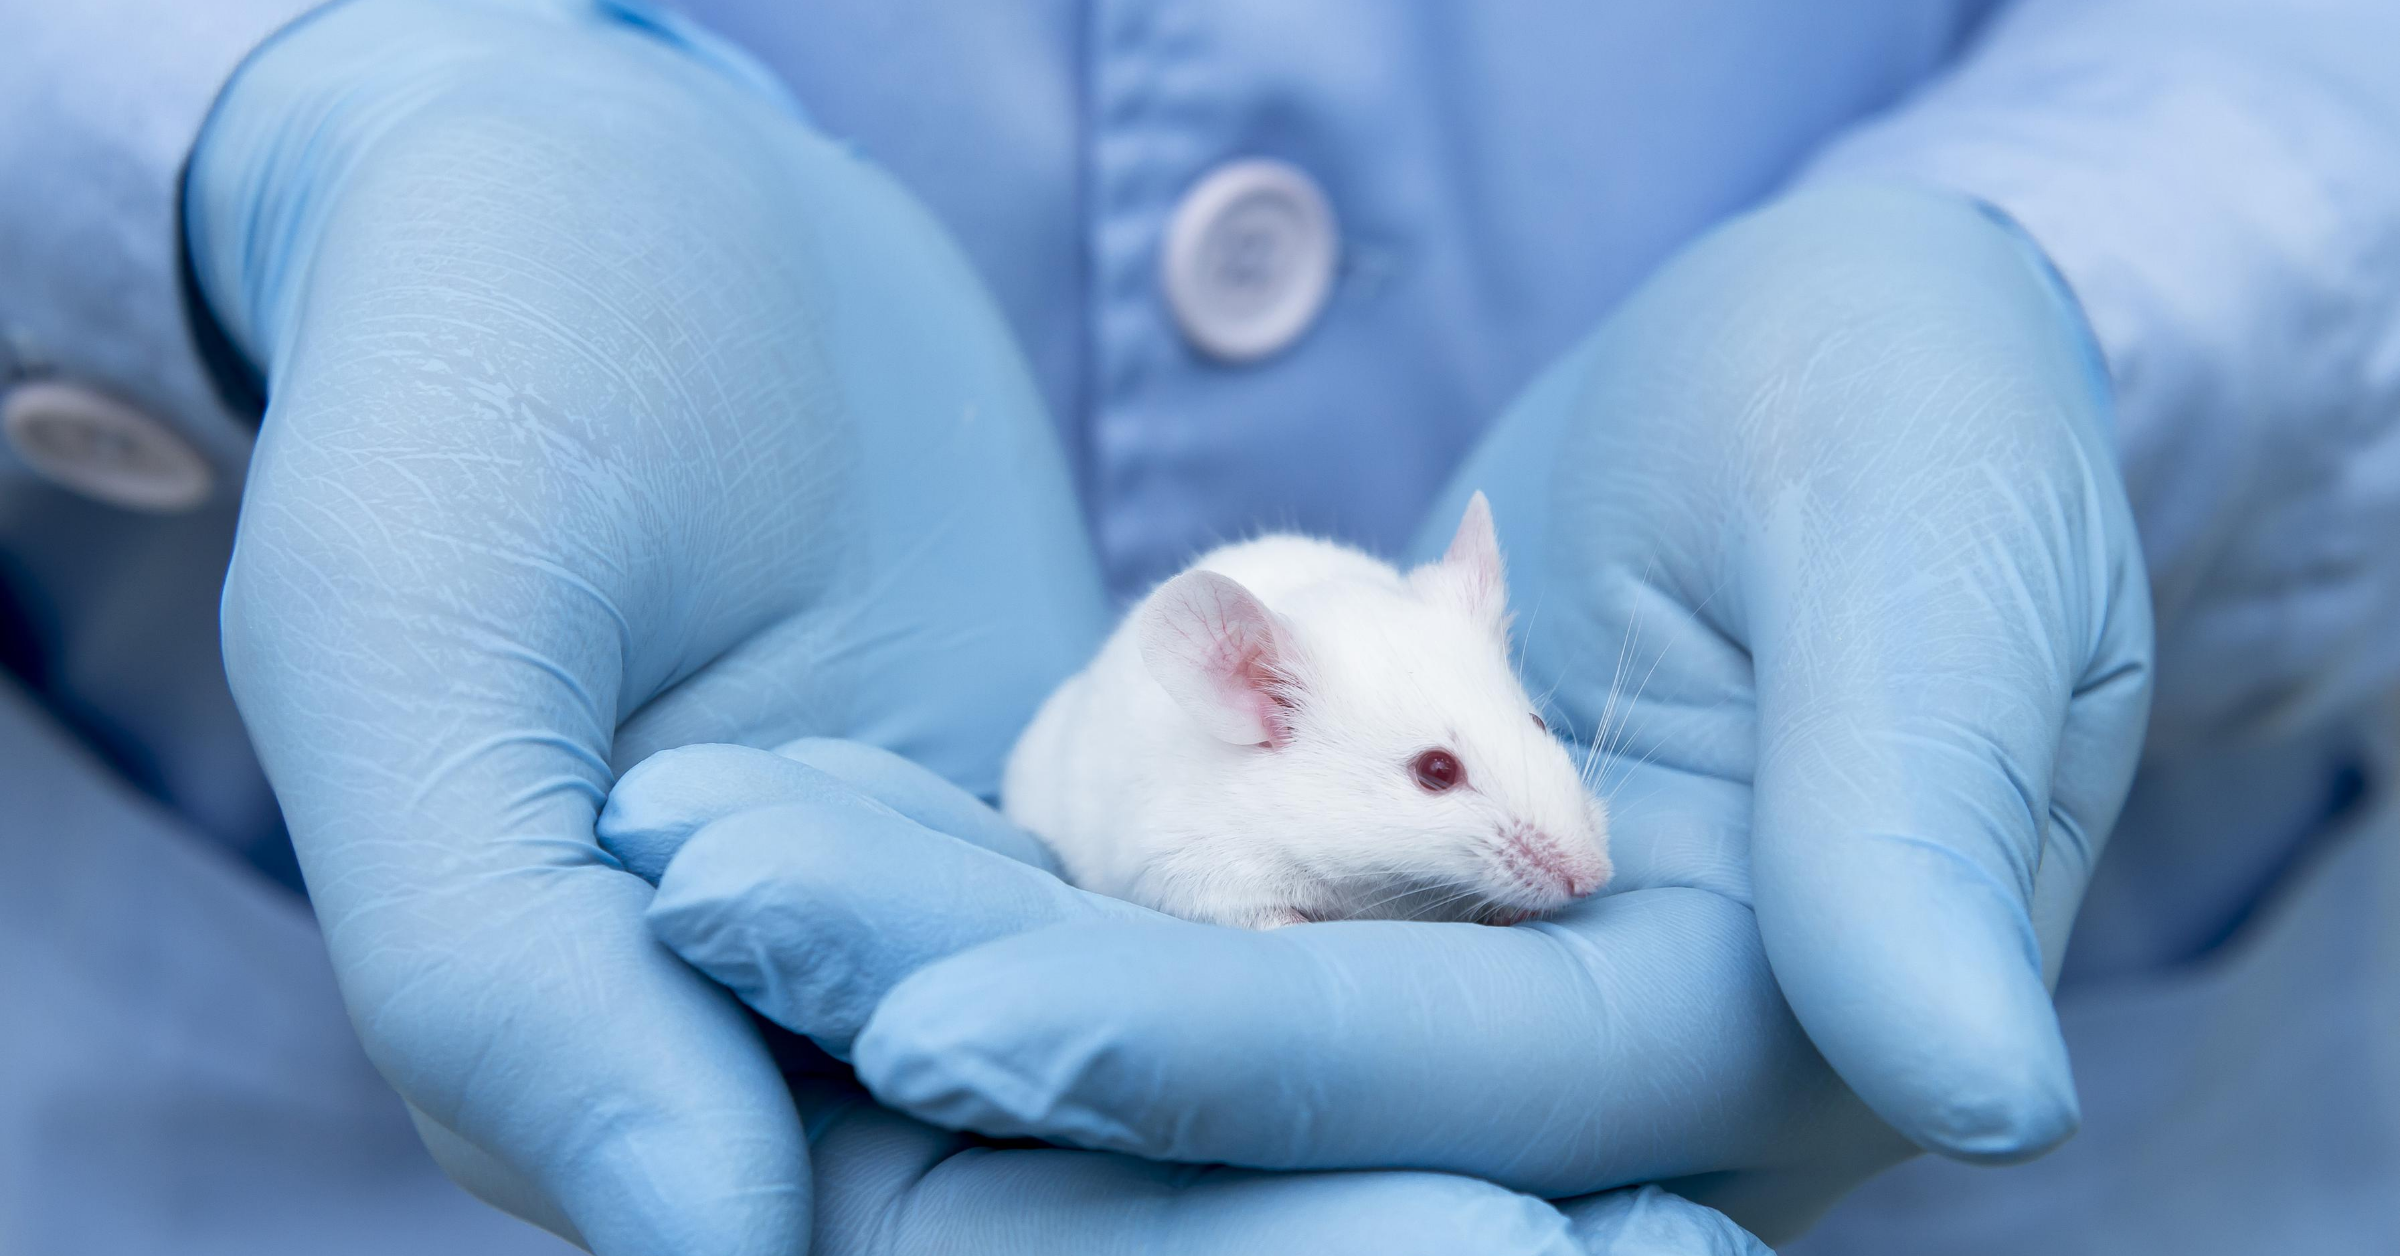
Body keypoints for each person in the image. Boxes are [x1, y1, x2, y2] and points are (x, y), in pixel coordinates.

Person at [6, 0, 2396, 1251]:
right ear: (1253, 702)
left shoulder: (1429, 701)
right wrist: (295, 110)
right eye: (1453, 774)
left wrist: (2094, 274)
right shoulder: (1233, 731)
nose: (1546, 822)